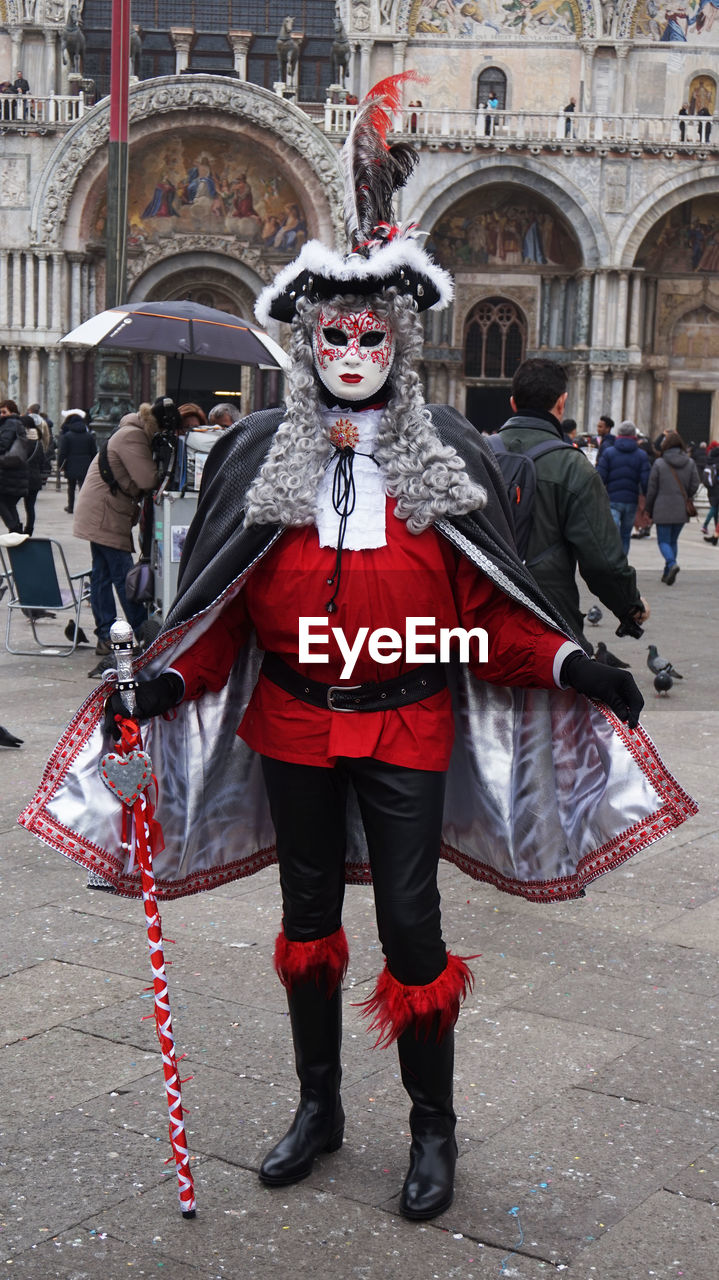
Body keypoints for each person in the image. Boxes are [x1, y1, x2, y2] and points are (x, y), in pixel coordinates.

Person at [24, 77, 692, 1228]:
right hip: (290, 718)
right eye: (331, 333)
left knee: (414, 925)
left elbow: (478, 612)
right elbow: (227, 606)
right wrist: (171, 678)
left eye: (369, 332)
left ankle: (432, 1127)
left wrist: (571, 663)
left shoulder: (448, 466)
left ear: (400, 339)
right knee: (303, 921)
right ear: (305, 340)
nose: (349, 348)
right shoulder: (257, 459)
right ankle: (317, 1102)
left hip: (405, 719)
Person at [495, 361, 649, 651]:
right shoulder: (573, 466)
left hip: (478, 619)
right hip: (547, 620)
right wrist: (630, 606)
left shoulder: (473, 454)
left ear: (513, 403)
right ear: (562, 403)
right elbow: (602, 563)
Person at [73, 400, 161, 662]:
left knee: (102, 574)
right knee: (122, 574)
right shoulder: (132, 436)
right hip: (105, 513)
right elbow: (148, 479)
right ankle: (142, 632)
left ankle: (105, 635)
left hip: (101, 510)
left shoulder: (128, 432)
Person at [645, 431, 700, 584]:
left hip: (662, 507)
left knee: (663, 541)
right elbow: (695, 484)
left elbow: (652, 488)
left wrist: (648, 508)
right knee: (673, 541)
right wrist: (686, 495)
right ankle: (667, 573)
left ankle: (671, 564)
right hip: (681, 508)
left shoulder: (659, 463)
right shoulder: (690, 463)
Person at [597, 420, 651, 554]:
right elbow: (645, 481)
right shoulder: (641, 455)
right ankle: (622, 564)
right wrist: (646, 498)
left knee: (612, 534)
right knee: (625, 535)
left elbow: (599, 477)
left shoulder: (609, 453)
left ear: (619, 433)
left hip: (613, 499)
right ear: (634, 435)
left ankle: (613, 563)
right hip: (631, 500)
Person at [57, 408, 96, 514]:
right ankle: (84, 507)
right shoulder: (89, 436)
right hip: (85, 464)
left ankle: (70, 507)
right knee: (83, 487)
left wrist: (60, 465)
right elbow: (94, 452)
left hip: (71, 464)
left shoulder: (67, 436)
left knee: (71, 487)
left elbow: (63, 452)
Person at [19, 413, 48, 535]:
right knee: (30, 507)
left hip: (21, 477)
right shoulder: (38, 443)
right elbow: (42, 461)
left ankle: (16, 526)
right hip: (34, 478)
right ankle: (29, 530)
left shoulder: (22, 442)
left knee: (8, 504)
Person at [0, 412, 29, 533]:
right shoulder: (14, 424)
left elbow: (2, 445)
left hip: (9, 472)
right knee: (9, 504)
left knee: (4, 502)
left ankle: (14, 528)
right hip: (13, 471)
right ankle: (16, 531)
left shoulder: (10, 424)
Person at [701, 444, 719, 543]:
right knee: (715, 510)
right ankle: (715, 534)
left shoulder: (710, 462)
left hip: (711, 490)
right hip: (717, 490)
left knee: (715, 510)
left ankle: (715, 535)